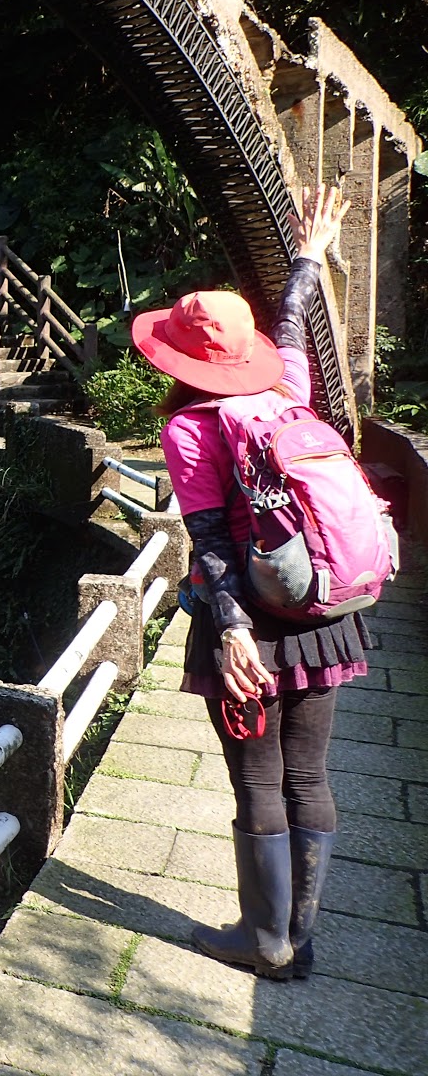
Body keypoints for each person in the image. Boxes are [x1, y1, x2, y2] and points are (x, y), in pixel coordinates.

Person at [131, 184, 357, 982]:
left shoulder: (189, 428)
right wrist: (308, 257)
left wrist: (230, 631)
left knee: (259, 777)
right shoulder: (287, 390)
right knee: (310, 774)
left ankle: (264, 941)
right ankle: (300, 939)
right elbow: (290, 325)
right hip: (324, 608)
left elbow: (212, 540)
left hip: (251, 622)